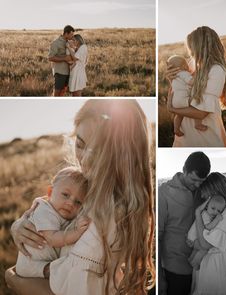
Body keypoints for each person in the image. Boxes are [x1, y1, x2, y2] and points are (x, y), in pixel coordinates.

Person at [5, 99, 155, 295]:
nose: (85, 159)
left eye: (100, 150)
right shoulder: (89, 187)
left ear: (121, 154)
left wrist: (13, 279)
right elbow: (50, 210)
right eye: (80, 144)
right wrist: (20, 226)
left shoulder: (106, 214)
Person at [15, 166, 90, 278]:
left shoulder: (63, 213)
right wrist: (77, 232)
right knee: (58, 273)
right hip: (30, 265)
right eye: (65, 195)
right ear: (50, 192)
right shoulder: (44, 210)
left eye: (78, 202)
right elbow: (53, 239)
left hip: (44, 262)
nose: (70, 203)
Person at [166, 26, 226, 147]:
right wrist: (172, 80)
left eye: (192, 48)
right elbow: (181, 91)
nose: (191, 53)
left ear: (202, 47)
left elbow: (201, 113)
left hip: (204, 134)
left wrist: (172, 109)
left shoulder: (216, 70)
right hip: (184, 133)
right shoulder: (193, 64)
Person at [158, 151, 211, 295]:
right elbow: (157, 237)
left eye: (201, 181)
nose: (197, 184)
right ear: (184, 170)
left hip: (200, 267)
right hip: (174, 269)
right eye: (194, 179)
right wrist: (159, 277)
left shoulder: (203, 190)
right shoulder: (163, 193)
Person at [190, 172, 226, 295]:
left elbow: (204, 244)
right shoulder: (215, 211)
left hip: (216, 277)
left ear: (215, 191)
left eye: (206, 193)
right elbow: (195, 243)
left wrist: (197, 214)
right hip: (204, 274)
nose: (204, 196)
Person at [167, 55, 207, 137]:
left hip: (175, 100)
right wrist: (199, 80)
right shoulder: (183, 73)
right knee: (196, 105)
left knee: (179, 115)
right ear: (184, 66)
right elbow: (191, 82)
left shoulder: (174, 77)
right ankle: (198, 124)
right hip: (183, 98)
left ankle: (176, 129)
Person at [187, 194, 226, 270]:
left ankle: (191, 258)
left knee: (197, 249)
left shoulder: (206, 214)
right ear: (207, 205)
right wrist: (216, 220)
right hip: (194, 238)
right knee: (204, 249)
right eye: (213, 208)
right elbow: (206, 227)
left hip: (194, 237)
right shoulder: (205, 215)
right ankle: (195, 262)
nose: (215, 212)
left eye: (219, 211)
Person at [48, 25, 75, 97]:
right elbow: (50, 58)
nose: (72, 36)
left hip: (68, 72)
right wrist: (64, 58)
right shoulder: (56, 43)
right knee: (56, 93)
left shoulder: (69, 42)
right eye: (71, 34)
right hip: (60, 72)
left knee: (63, 92)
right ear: (66, 33)